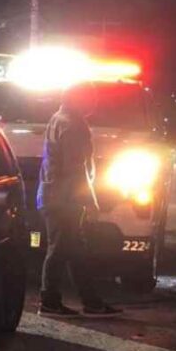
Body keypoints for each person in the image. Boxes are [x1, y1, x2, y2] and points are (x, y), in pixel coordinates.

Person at [36, 83, 122, 318]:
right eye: (91, 97)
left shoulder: (58, 118)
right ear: (79, 99)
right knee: (60, 249)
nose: (94, 102)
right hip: (64, 199)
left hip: (55, 196)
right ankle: (50, 302)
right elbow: (77, 169)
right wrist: (90, 202)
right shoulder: (73, 125)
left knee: (75, 251)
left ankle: (90, 302)